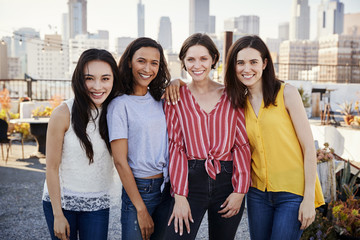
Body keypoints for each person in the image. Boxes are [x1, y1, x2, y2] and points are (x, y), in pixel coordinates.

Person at [224, 35, 324, 239]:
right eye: (240, 62)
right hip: (257, 194)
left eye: (253, 62)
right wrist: (177, 82)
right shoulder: (237, 103)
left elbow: (308, 148)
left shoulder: (287, 93)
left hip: (292, 193)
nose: (247, 69)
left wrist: (308, 199)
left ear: (265, 63)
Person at [163, 33, 251, 240]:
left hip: (227, 181)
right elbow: (176, 147)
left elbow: (241, 145)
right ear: (183, 62)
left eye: (203, 58)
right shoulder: (175, 97)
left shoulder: (232, 95)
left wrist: (240, 190)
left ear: (213, 59)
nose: (197, 65)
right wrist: (180, 196)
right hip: (191, 180)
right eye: (191, 59)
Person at [42, 48, 123, 240]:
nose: (97, 86)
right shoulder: (62, 113)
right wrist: (57, 214)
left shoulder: (117, 110)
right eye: (89, 78)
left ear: (113, 80)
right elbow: (51, 168)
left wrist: (176, 83)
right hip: (63, 202)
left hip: (97, 202)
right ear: (79, 79)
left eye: (105, 79)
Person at [107, 37, 171, 240]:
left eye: (154, 63)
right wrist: (141, 209)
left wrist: (176, 82)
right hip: (140, 189)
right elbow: (119, 161)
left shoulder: (160, 99)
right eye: (141, 61)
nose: (148, 68)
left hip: (168, 187)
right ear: (129, 62)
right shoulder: (119, 105)